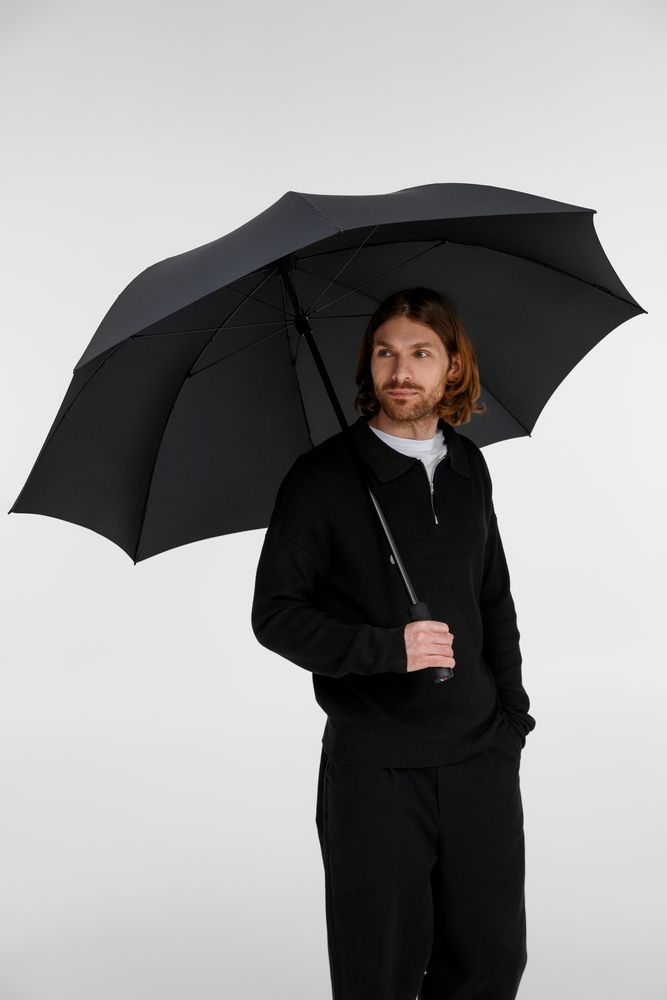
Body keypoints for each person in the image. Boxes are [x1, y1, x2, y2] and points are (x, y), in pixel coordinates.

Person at [251, 286, 536, 1000]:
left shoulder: (468, 466)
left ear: (452, 366)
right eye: (385, 353)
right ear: (368, 364)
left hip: (479, 758)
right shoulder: (320, 478)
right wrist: (389, 649)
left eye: (420, 353)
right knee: (377, 974)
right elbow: (275, 615)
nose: (400, 372)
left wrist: (513, 719)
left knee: (490, 966)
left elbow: (492, 597)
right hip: (374, 772)